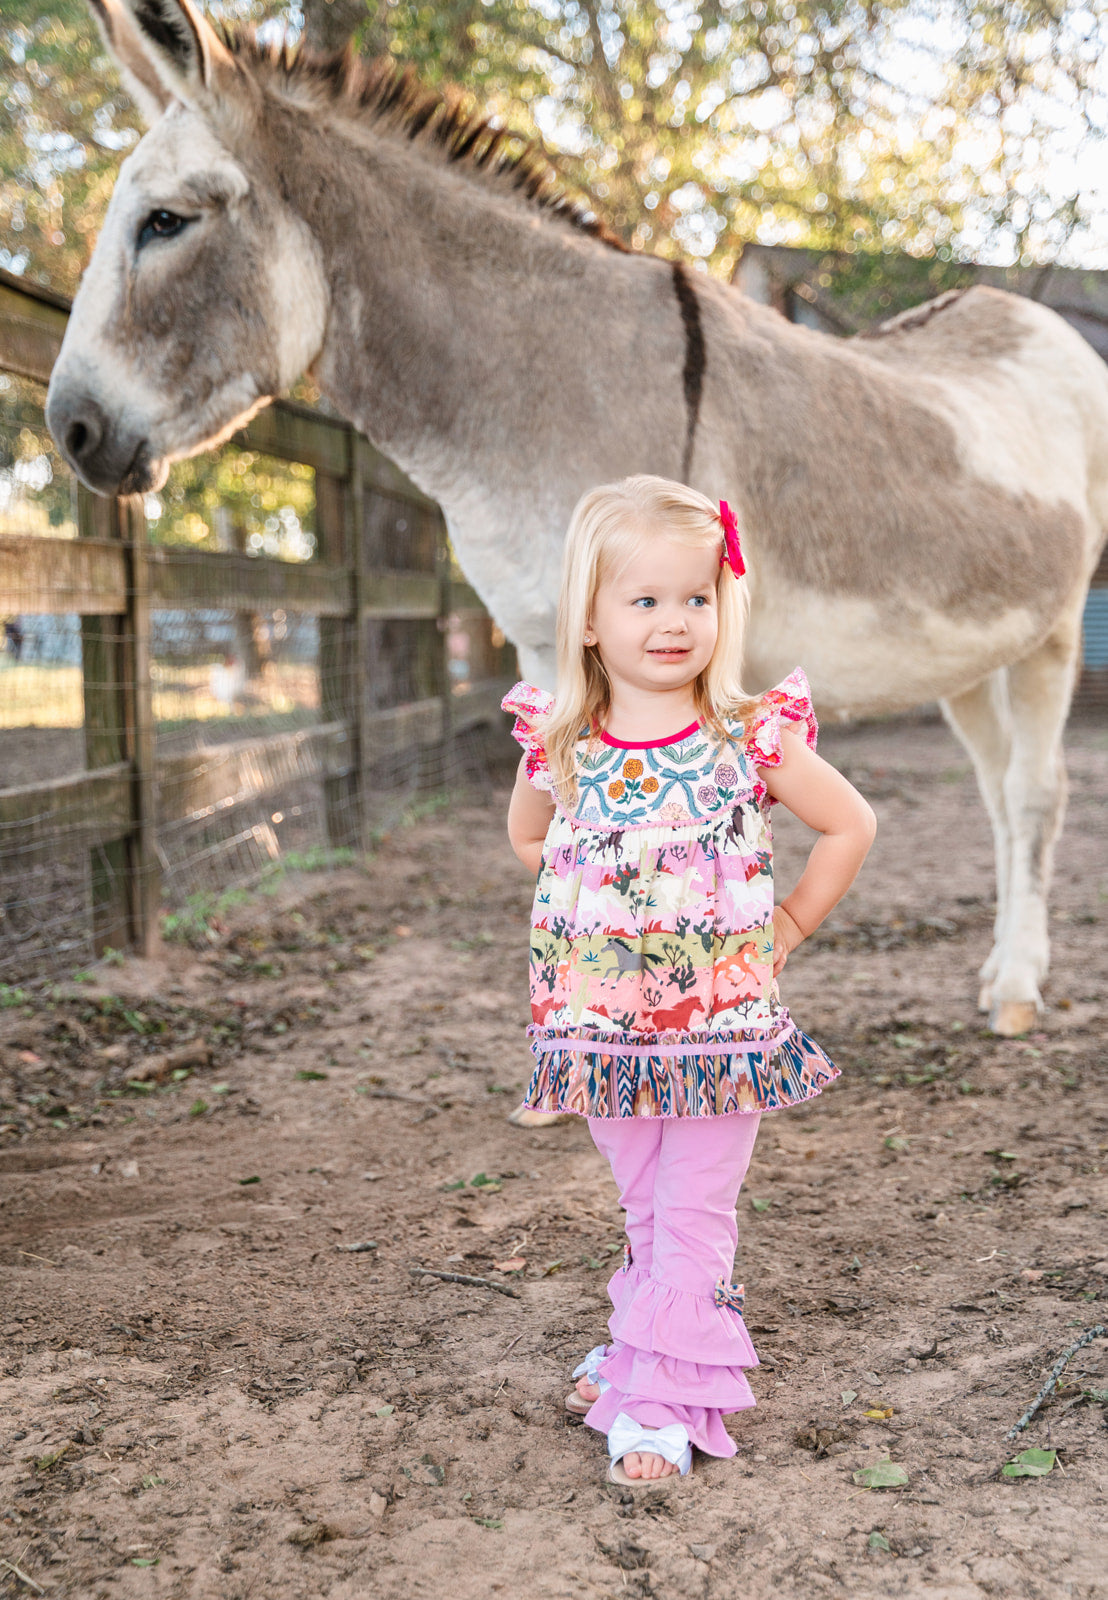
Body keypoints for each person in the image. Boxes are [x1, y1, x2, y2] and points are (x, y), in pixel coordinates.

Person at [502, 475, 876, 1487]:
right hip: (601, 1034)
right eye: (645, 599)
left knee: (695, 1206)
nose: (674, 622)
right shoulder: (561, 744)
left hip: (719, 1034)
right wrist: (601, 901)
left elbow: (849, 824)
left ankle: (663, 1398)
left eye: (696, 598)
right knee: (644, 1205)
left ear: (723, 604)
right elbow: (530, 839)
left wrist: (787, 923)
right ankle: (640, 1341)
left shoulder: (747, 737)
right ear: (588, 616)